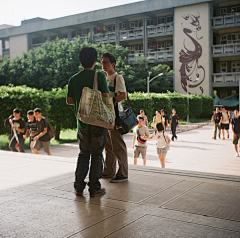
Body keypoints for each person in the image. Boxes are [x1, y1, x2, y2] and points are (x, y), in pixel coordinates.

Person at [66, 47, 110, 197]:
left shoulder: (73, 79)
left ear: (80, 60)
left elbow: (69, 101)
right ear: (94, 60)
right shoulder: (99, 76)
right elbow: (105, 96)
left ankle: (79, 186)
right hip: (98, 122)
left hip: (82, 123)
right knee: (97, 154)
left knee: (83, 154)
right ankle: (94, 187)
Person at [101, 52, 128, 183]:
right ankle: (109, 171)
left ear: (113, 64)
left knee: (118, 145)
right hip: (105, 116)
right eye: (102, 62)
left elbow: (123, 95)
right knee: (108, 145)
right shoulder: (103, 78)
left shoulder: (118, 78)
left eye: (106, 62)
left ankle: (123, 173)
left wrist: (109, 101)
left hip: (115, 116)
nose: (103, 65)